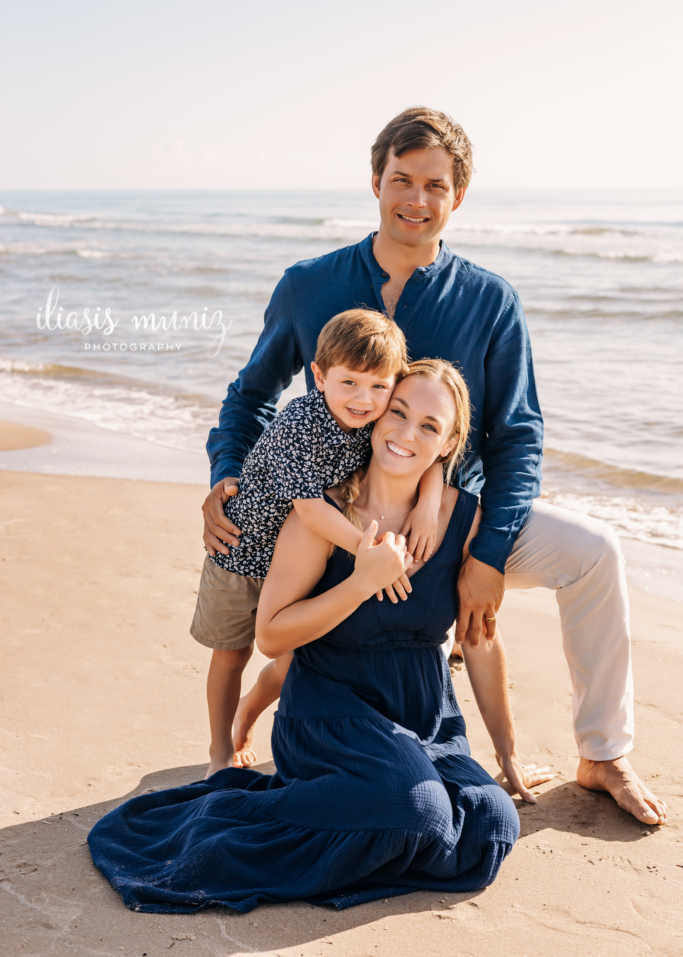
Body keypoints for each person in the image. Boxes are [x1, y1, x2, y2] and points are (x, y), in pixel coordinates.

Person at [203, 107, 666, 826]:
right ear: (375, 181)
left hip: (454, 518)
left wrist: (484, 551)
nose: (416, 200)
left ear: (457, 197)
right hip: (335, 522)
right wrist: (226, 476)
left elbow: (517, 435)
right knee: (286, 642)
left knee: (594, 553)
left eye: (435, 186)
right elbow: (250, 397)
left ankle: (601, 751)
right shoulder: (309, 284)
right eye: (401, 180)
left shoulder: (489, 299)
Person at [89, 361, 550, 912]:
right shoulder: (321, 513)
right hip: (329, 707)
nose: (406, 433)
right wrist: (359, 583)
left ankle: (384, 815)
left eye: (429, 426)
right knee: (418, 812)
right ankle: (340, 811)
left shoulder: (462, 518)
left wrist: (508, 751)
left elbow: (478, 639)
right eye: (397, 412)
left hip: (424, 713)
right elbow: (271, 636)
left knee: (496, 821)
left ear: (450, 442)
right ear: (376, 414)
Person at [192, 308, 445, 775]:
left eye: (378, 386)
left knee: (296, 660)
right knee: (231, 654)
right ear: (320, 375)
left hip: (296, 560)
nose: (363, 399)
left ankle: (251, 710)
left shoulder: (376, 418)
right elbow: (309, 509)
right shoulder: (300, 422)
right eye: (349, 382)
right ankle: (219, 751)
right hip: (240, 551)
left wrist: (429, 502)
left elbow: (424, 453)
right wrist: (366, 553)